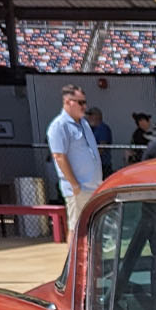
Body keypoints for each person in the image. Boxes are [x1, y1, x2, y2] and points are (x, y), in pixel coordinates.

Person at [47, 84, 103, 231]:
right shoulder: (59, 126)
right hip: (79, 190)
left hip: (93, 187)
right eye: (80, 102)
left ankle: (91, 255)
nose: (84, 106)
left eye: (85, 102)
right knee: (77, 229)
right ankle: (74, 255)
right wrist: (75, 186)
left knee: (94, 230)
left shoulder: (84, 123)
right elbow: (59, 156)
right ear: (67, 101)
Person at [86, 106, 113, 176]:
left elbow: (102, 146)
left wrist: (91, 158)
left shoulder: (102, 128)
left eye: (91, 115)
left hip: (102, 165)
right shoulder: (91, 129)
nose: (88, 118)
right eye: (88, 116)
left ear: (97, 116)